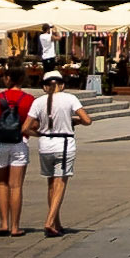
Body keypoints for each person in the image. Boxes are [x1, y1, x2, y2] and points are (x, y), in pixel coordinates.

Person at [24, 69, 91, 237]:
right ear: (61, 85)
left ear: (45, 87)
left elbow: (25, 128)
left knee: (51, 184)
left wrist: (39, 133)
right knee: (60, 183)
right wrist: (74, 121)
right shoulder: (70, 98)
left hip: (45, 144)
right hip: (64, 143)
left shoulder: (38, 102)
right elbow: (87, 120)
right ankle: (49, 220)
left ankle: (56, 222)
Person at [0, 65, 35, 237]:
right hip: (19, 143)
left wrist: (2, 126)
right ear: (22, 79)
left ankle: (3, 224)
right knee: (16, 186)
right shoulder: (29, 99)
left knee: (1, 184)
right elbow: (34, 124)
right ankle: (15, 227)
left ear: (7, 78)